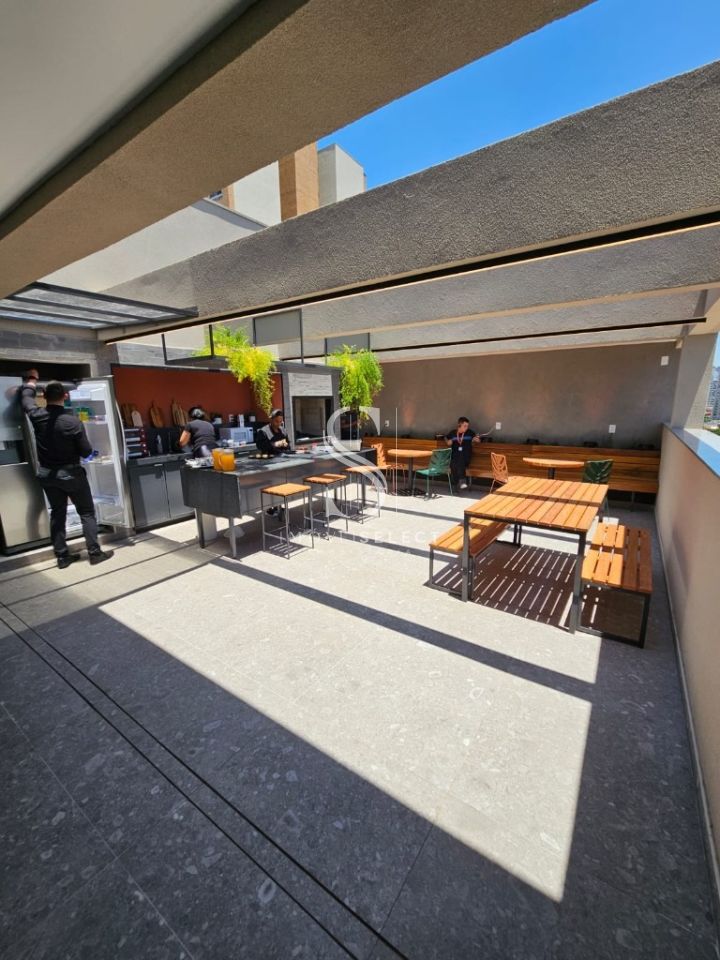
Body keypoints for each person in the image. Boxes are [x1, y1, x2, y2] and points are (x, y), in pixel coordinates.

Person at [20, 371, 114, 568]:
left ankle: (62, 557)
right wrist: (91, 454)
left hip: (47, 474)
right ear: (65, 396)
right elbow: (86, 451)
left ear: (44, 396)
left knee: (57, 513)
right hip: (72, 474)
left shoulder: (37, 416)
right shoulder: (73, 422)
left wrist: (31, 381)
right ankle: (95, 553)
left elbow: (26, 399)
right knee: (86, 513)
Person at [445, 417, 487, 490]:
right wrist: (447, 442)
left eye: (467, 426)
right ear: (459, 425)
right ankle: (457, 484)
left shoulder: (470, 432)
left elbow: (477, 439)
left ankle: (460, 482)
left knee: (459, 459)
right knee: (453, 464)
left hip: (466, 458)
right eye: (465, 426)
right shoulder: (452, 433)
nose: (466, 428)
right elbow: (445, 437)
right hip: (455, 458)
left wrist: (476, 439)